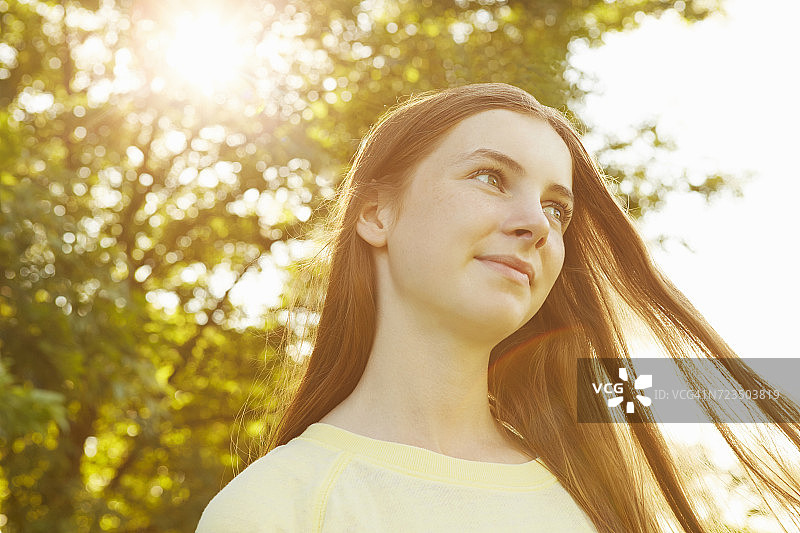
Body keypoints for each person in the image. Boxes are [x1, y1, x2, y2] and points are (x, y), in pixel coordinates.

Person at [196, 83, 800, 532]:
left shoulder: (598, 491)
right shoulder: (277, 508)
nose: (536, 225)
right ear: (377, 212)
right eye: (489, 176)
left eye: (557, 210)